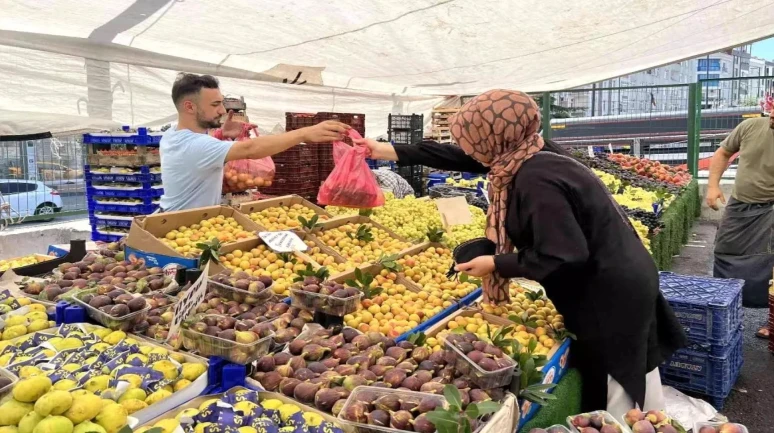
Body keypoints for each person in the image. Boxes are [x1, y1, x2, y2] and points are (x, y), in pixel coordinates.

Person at [357, 90, 686, 418]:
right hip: (621, 272)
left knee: (620, 382)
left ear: (493, 138)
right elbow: (461, 156)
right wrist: (384, 149)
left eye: (472, 138)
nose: (470, 148)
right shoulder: (526, 151)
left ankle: (630, 423)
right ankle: (652, 419)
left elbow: (564, 255)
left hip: (607, 291)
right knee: (636, 368)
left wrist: (497, 263)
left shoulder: (535, 179)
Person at [159, 73, 349, 211]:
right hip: (184, 225)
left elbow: (197, 150)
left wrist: (220, 134)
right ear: (190, 107)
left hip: (172, 215)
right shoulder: (196, 145)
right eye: (215, 104)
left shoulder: (172, 135)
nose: (223, 111)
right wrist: (304, 134)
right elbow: (250, 148)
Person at [706, 114, 774, 338]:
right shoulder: (750, 126)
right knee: (725, 252)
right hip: (740, 204)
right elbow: (724, 152)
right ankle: (722, 315)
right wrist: (713, 186)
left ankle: (772, 322)